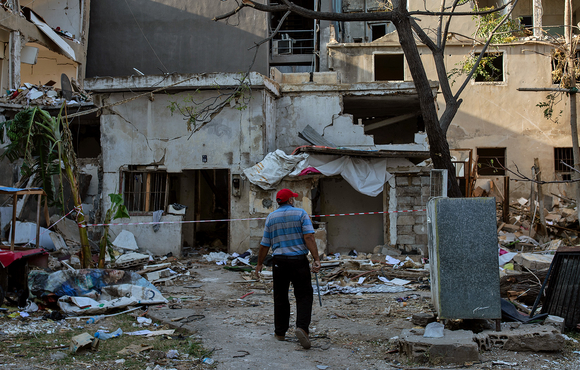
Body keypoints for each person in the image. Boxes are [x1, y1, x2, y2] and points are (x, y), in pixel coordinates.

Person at [256, 188, 321, 349]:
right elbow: (309, 237)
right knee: (304, 295)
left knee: (280, 297)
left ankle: (280, 332)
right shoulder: (301, 214)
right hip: (298, 261)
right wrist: (316, 258)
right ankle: (302, 328)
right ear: (290, 200)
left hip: (279, 262)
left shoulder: (271, 217)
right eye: (293, 198)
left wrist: (259, 264)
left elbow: (265, 244)